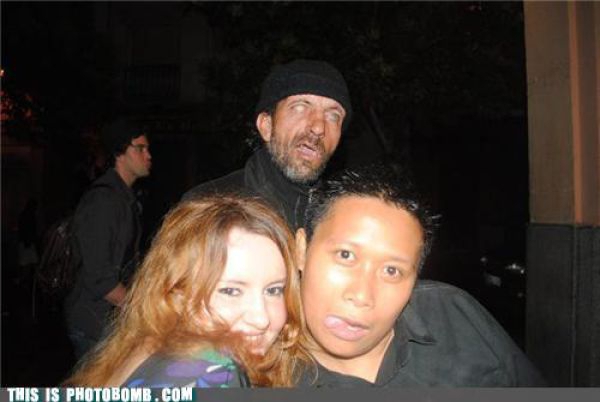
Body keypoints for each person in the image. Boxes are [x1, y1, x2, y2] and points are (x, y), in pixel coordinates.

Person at [294, 164, 546, 386]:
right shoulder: (273, 376)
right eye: (345, 255)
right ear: (302, 250)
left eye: (391, 270)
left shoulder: (453, 313)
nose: (361, 296)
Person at [64, 195, 307, 387]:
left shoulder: (144, 345)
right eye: (231, 291)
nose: (262, 318)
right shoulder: (211, 374)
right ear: (177, 294)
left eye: (274, 290)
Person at [182, 59, 352, 230]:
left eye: (333, 116)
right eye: (300, 107)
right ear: (267, 126)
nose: (318, 127)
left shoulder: (344, 221)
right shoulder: (206, 211)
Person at [64, 117, 152, 360]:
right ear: (120, 153)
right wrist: (141, 310)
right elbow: (99, 278)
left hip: (108, 320)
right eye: (140, 148)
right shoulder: (103, 201)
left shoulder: (123, 198)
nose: (148, 155)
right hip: (95, 321)